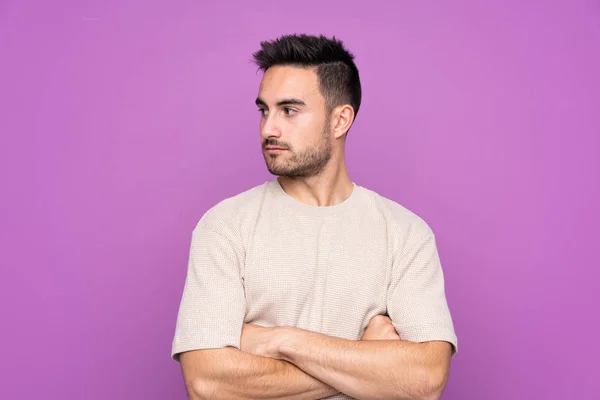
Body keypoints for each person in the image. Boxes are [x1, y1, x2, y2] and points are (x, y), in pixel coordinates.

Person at [171, 33, 458, 400]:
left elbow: (425, 378)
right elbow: (207, 383)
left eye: (289, 110)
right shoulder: (224, 226)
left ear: (340, 121)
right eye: (264, 110)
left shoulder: (405, 234)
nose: (268, 128)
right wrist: (367, 358)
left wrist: (280, 340)